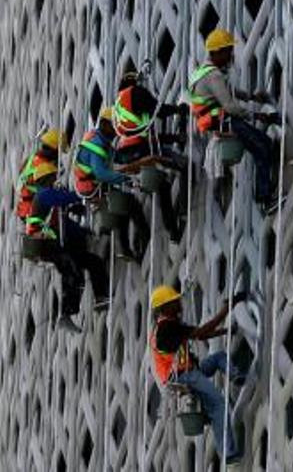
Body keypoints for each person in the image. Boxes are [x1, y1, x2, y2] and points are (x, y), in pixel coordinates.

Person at [148, 285, 248, 465]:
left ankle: (235, 376)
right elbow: (201, 332)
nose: (179, 303)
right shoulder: (167, 327)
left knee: (218, 358)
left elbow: (200, 336)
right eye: (174, 301)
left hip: (188, 371)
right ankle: (229, 454)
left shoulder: (167, 326)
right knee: (219, 404)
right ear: (165, 307)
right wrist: (227, 308)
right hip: (183, 376)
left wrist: (225, 331)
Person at [187, 27, 282, 208]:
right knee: (263, 146)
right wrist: (257, 115)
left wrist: (251, 97)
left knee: (260, 147)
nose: (231, 55)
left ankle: (265, 193)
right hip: (226, 121)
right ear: (218, 52)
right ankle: (266, 198)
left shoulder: (202, 72)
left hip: (218, 122)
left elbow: (227, 91)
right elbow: (229, 105)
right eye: (228, 51)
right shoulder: (214, 75)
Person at [24, 162, 109, 333]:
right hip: (48, 245)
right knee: (72, 272)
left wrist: (82, 232)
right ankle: (65, 313)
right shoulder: (44, 195)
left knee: (94, 262)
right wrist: (84, 193)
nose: (55, 179)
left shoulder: (52, 206)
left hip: (56, 244)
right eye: (52, 177)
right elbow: (65, 198)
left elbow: (65, 224)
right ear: (46, 179)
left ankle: (101, 297)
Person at [113, 69, 189, 243]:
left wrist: (174, 138)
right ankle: (183, 214)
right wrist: (179, 109)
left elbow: (143, 131)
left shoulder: (117, 105)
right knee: (185, 166)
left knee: (162, 186)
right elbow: (159, 111)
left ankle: (173, 232)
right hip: (143, 149)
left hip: (127, 153)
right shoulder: (135, 93)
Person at [73, 107, 149, 262]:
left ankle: (123, 248)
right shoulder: (97, 145)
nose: (117, 130)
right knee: (130, 205)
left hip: (92, 185)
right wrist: (125, 179)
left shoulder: (100, 139)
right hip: (94, 188)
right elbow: (101, 173)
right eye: (115, 125)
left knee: (121, 208)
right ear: (105, 124)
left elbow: (115, 157)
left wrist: (134, 159)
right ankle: (143, 238)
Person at [16, 128, 68, 222]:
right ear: (54, 151)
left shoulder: (32, 158)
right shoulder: (45, 170)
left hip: (23, 208)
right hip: (34, 213)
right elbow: (51, 195)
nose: (59, 156)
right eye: (59, 152)